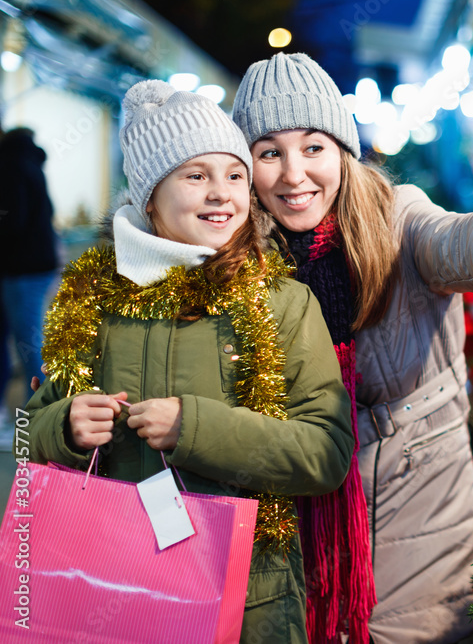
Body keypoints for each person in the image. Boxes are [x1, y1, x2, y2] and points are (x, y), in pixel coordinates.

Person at [232, 52, 473, 643]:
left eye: (313, 147)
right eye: (270, 152)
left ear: (341, 148)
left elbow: (459, 240)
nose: (295, 175)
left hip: (426, 517)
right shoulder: (239, 263)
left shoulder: (397, 218)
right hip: (300, 530)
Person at [25, 80, 354, 643]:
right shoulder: (91, 299)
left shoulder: (281, 300)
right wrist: (65, 426)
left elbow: (327, 451)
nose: (221, 194)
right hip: (110, 582)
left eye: (234, 176)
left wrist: (194, 428)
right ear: (150, 195)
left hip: (249, 595)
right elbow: (25, 430)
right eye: (195, 176)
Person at [0, 127, 60, 408]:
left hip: (21, 269)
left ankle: (36, 418)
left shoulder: (10, 166)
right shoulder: (29, 164)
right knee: (27, 342)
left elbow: (13, 221)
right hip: (33, 267)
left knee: (28, 345)